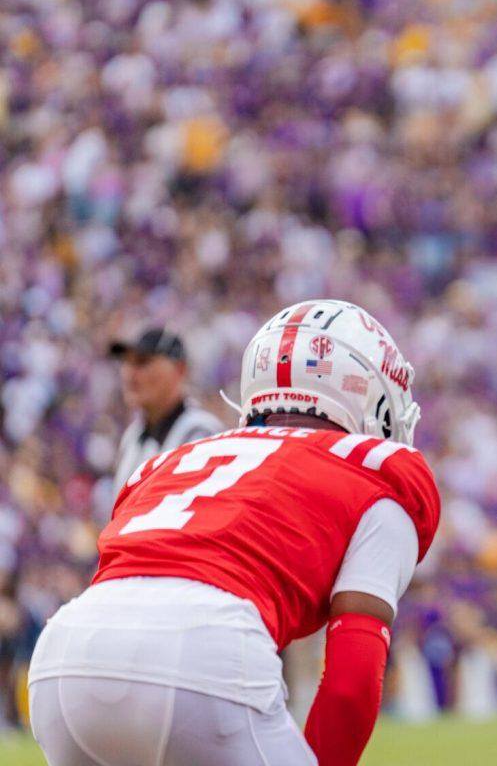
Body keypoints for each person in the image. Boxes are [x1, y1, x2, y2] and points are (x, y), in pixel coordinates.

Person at [28, 300, 441, 766]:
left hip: (66, 658)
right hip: (203, 656)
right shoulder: (376, 477)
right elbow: (350, 684)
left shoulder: (172, 460)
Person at [108, 327, 223, 494]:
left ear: (179, 369)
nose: (129, 373)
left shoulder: (201, 434)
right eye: (126, 362)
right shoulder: (131, 437)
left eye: (142, 361)